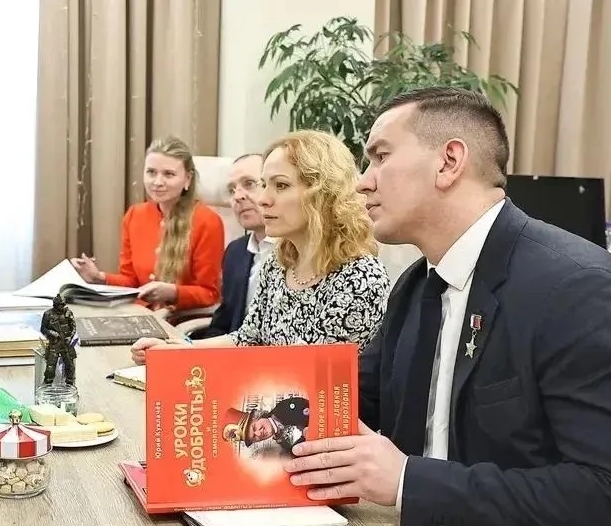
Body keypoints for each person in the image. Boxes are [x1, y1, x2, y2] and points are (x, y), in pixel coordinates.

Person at [283, 87, 611, 526]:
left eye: (379, 157)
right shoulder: (419, 286)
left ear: (449, 161)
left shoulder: (580, 289)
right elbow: (344, 394)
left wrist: (408, 480)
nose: (363, 182)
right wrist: (203, 396)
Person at [130, 130, 389, 364]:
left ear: (323, 193)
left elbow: (314, 378)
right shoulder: (278, 262)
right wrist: (177, 349)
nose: (263, 199)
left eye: (281, 185)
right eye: (264, 185)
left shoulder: (361, 278)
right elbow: (247, 339)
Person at [71, 136, 224, 313]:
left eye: (169, 174)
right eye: (151, 172)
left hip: (179, 318)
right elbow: (131, 281)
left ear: (187, 179)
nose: (157, 182)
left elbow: (209, 294)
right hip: (138, 313)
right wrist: (99, 277)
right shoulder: (134, 215)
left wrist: (174, 292)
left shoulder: (208, 222)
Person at [189, 150, 275, 339]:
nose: (238, 196)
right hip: (233, 351)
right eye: (232, 190)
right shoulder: (235, 252)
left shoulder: (301, 252)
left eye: (249, 184)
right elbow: (222, 324)